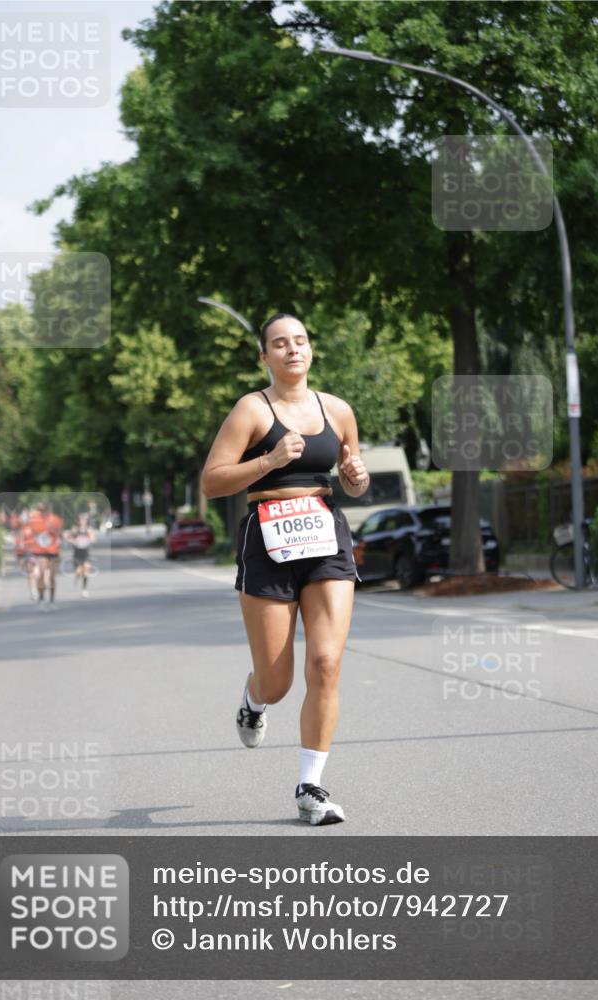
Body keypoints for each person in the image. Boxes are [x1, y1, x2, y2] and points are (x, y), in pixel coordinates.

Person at [201, 313, 369, 825]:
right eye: (280, 343)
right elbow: (212, 482)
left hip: (323, 535)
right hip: (268, 539)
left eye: (300, 341)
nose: (292, 349)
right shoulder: (251, 410)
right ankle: (255, 700)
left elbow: (353, 480)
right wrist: (269, 461)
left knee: (326, 664)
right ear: (265, 357)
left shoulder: (338, 410)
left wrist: (356, 477)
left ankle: (310, 787)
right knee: (277, 681)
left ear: (310, 350)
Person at [27, 501, 63, 607]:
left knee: (51, 576)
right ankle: (41, 598)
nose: (40, 512)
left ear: (47, 510)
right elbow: (31, 535)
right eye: (39, 510)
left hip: (52, 551)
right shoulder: (34, 520)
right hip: (40, 551)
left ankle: (52, 600)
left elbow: (60, 534)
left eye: (42, 510)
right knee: (41, 574)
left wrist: (54, 530)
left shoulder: (55, 519)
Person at [64, 516, 96, 598]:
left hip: (86, 553)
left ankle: (84, 590)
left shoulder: (88, 530)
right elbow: (68, 538)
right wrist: (74, 541)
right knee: (78, 571)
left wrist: (90, 540)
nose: (83, 521)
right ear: (78, 521)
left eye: (84, 520)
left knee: (86, 571)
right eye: (81, 520)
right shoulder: (75, 529)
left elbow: (94, 539)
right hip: (77, 554)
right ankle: (77, 577)